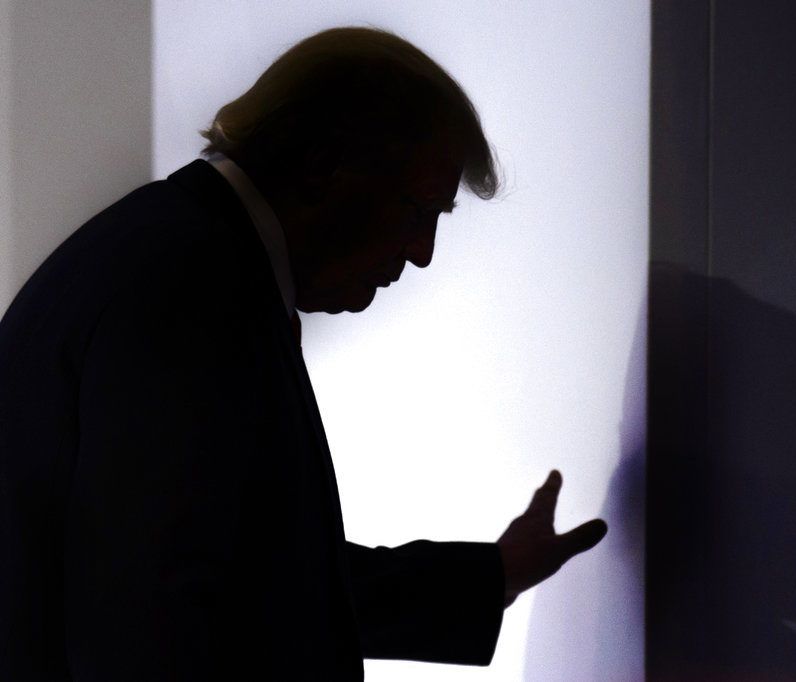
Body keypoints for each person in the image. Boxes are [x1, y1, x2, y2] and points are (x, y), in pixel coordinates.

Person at [0, 27, 607, 680]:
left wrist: (490, 577)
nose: (423, 252)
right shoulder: (195, 290)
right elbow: (155, 621)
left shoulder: (176, 253)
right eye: (419, 209)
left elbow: (248, 577)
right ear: (325, 168)